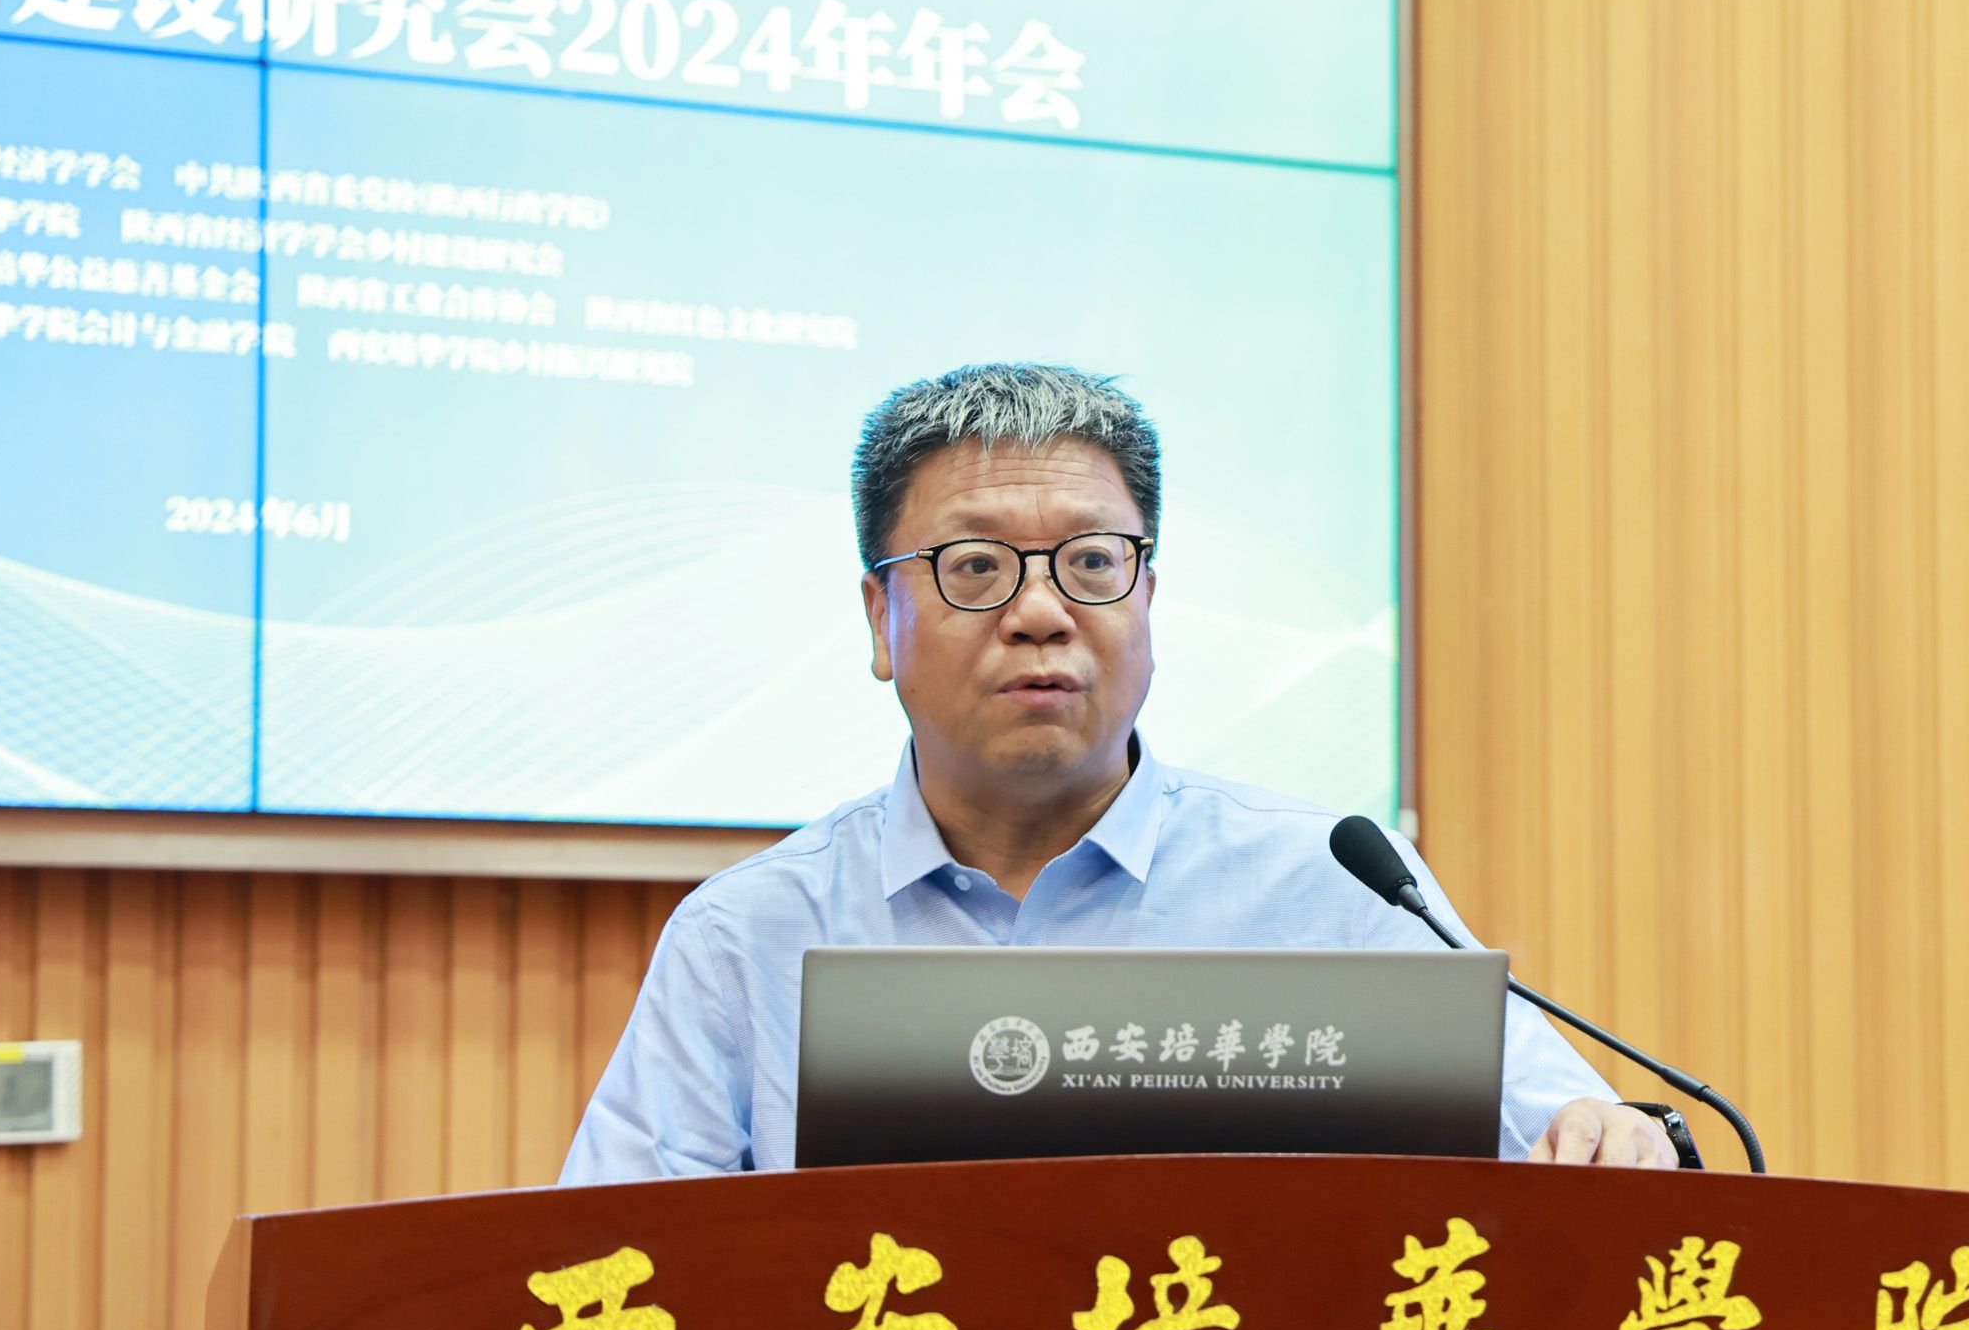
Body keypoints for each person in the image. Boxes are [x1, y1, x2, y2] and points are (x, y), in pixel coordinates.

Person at [560, 363, 1675, 1181]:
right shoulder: (749, 936)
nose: (1041, 611)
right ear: (877, 617)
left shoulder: (1336, 886)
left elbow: (1571, 1139)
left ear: (1147, 598)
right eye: (975, 566)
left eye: (1093, 561)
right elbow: (608, 1265)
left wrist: (1611, 1133)